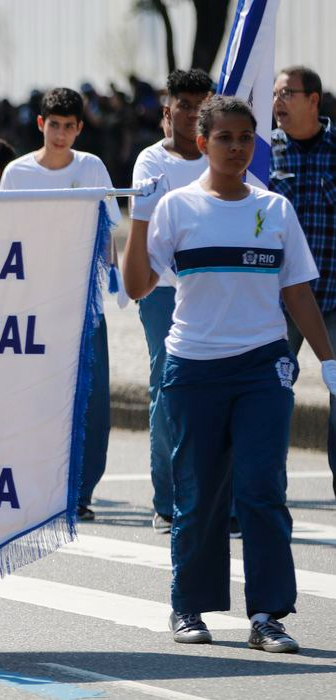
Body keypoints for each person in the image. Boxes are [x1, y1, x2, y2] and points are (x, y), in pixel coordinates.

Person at [122, 95, 336, 654]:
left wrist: (329, 361)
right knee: (198, 494)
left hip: (262, 367)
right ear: (202, 143)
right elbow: (137, 286)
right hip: (192, 367)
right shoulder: (175, 208)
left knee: (263, 490)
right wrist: (139, 218)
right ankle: (188, 606)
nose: (237, 148)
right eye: (225, 138)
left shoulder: (275, 209)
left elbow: (296, 290)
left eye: (246, 138)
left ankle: (268, 614)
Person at [0, 86, 120, 521]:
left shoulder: (92, 167)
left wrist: (113, 281)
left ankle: (81, 492)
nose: (61, 134)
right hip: (34, 307)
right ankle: (36, 488)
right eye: (55, 125)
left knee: (91, 402)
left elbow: (108, 233)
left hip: (84, 307)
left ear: (80, 129)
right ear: (40, 125)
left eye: (70, 127)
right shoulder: (16, 173)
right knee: (36, 399)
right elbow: (6, 240)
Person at [130, 68, 214, 533]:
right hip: (163, 289)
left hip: (213, 286)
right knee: (167, 386)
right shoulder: (150, 162)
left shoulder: (221, 153)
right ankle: (167, 499)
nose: (193, 113)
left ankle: (219, 497)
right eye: (185, 104)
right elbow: (151, 227)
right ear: (169, 110)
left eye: (203, 104)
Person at [271, 66, 336, 500]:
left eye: (287, 93)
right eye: (274, 93)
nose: (277, 101)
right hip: (278, 304)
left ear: (313, 100)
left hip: (333, 298)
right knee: (267, 399)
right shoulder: (261, 152)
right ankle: (259, 495)